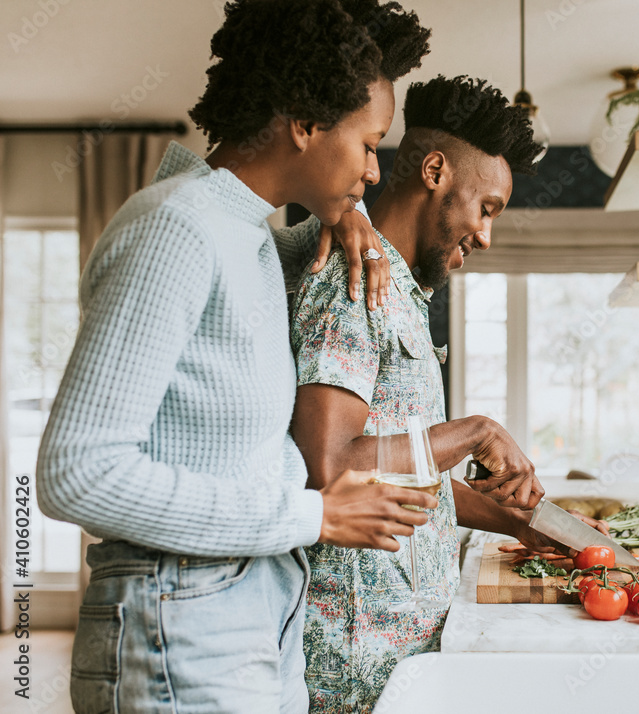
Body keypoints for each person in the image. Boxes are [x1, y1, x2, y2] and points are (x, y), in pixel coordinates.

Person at [35, 2, 433, 711]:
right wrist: (309, 517)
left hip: (250, 609)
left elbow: (309, 244)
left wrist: (351, 221)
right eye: (370, 144)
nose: (374, 170)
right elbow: (77, 473)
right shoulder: (176, 229)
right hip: (179, 615)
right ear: (305, 124)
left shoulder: (243, 236)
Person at [289, 75, 600, 713]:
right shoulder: (356, 278)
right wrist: (477, 431)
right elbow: (329, 468)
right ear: (434, 170)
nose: (486, 236)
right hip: (356, 668)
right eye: (486, 208)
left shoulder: (401, 291)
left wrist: (521, 523)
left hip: (408, 655)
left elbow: (397, 475)